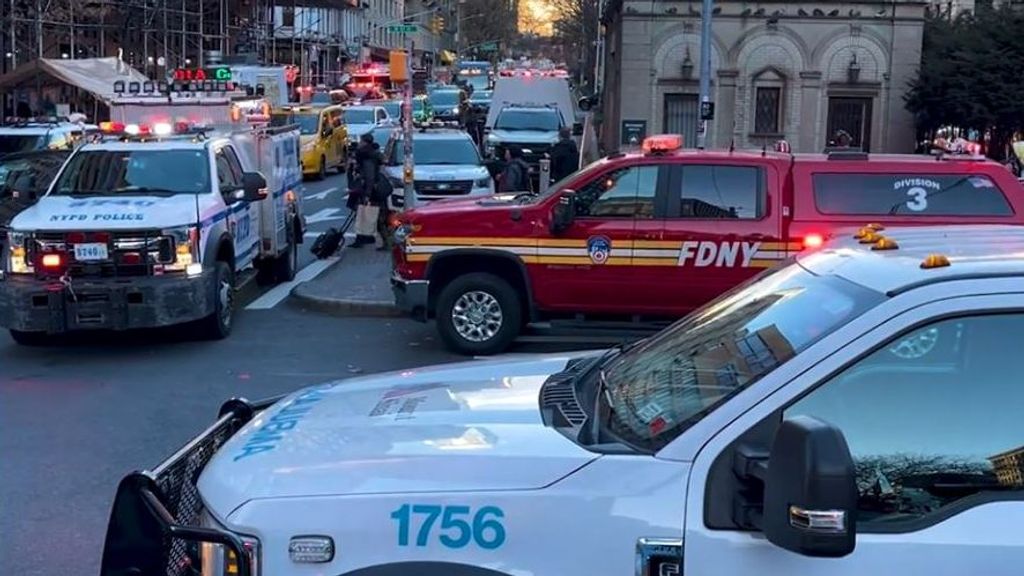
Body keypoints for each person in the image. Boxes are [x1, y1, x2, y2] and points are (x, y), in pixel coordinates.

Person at [349, 133, 386, 248]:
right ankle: (362, 238)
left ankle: (383, 240)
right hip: (366, 189)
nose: (359, 143)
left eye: (361, 141)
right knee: (364, 213)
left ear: (365, 142)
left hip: (368, 190)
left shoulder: (367, 156)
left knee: (372, 215)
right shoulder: (369, 154)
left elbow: (369, 176)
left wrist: (367, 194)